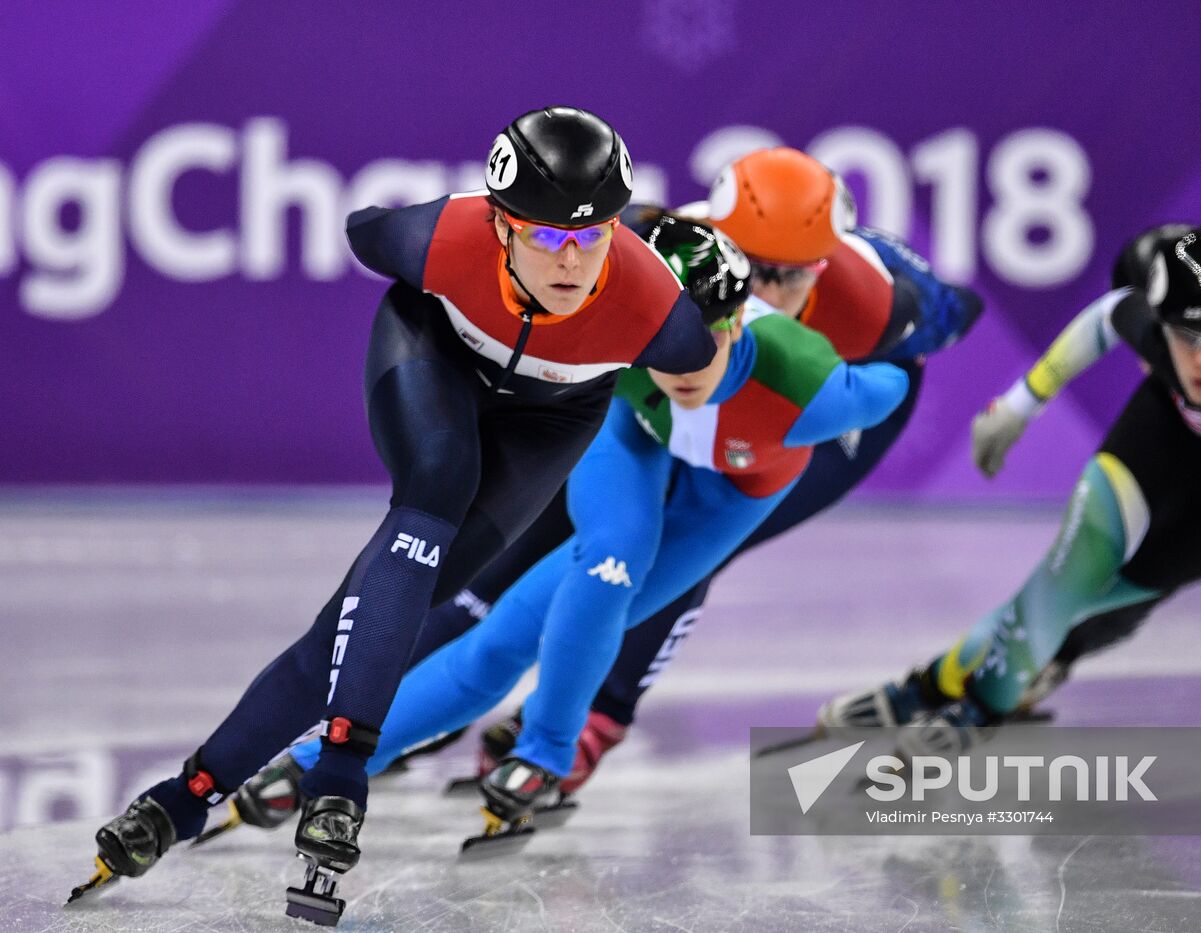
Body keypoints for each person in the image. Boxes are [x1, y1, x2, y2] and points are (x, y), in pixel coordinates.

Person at [70, 107, 717, 917]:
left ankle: (183, 796)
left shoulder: (655, 308)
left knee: (380, 609)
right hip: (432, 354)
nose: (570, 258)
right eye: (545, 235)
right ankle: (342, 771)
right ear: (500, 224)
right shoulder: (442, 239)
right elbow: (360, 228)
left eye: (591, 238)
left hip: (552, 415)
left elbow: (704, 362)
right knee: (436, 482)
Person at [287, 209, 912, 853]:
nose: (682, 367)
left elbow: (894, 381)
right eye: (665, 345)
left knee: (583, 603)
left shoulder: (810, 386)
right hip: (633, 433)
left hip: (734, 489)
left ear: (735, 323)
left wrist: (899, 318)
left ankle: (544, 752)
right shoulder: (613, 335)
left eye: (706, 343)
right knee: (582, 580)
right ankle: (329, 756)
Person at [398, 146, 983, 793]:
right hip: (689, 381)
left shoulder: (884, 302)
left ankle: (598, 721)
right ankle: (418, 694)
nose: (763, 290)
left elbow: (964, 310)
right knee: (558, 516)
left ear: (823, 265)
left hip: (809, 405)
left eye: (789, 276)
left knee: (689, 546)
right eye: (751, 267)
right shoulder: (658, 242)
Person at [818, 224, 1201, 755]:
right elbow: (1106, 317)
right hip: (1181, 424)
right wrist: (1023, 403)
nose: (1199, 356)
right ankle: (961, 699)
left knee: (1112, 593)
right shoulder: (1160, 330)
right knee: (1067, 575)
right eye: (1183, 336)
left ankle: (952, 686)